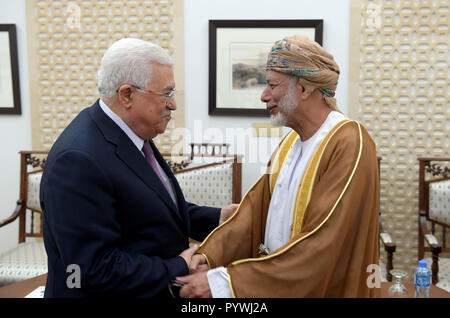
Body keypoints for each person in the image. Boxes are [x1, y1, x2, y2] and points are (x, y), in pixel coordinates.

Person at [177, 35, 380, 298]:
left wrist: (226, 283)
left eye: (272, 85)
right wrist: (210, 255)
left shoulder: (350, 142)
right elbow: (253, 214)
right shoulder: (290, 143)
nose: (264, 95)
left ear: (304, 89)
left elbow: (322, 241)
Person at [39, 38, 237, 297]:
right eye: (166, 94)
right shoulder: (78, 160)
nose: (173, 105)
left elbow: (145, 206)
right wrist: (178, 265)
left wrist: (217, 218)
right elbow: (91, 269)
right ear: (127, 95)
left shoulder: (131, 132)